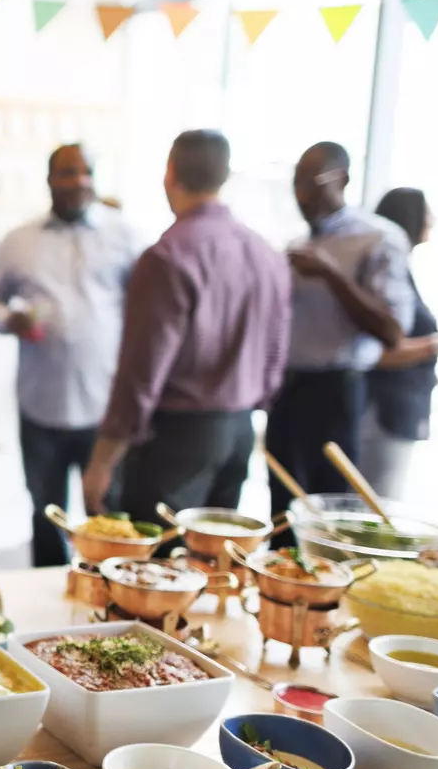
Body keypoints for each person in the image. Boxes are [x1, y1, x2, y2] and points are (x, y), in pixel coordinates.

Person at [83, 131, 290, 520]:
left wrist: (103, 458)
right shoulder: (265, 252)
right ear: (224, 176)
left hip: (178, 435)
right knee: (213, 560)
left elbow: (141, 371)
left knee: (156, 563)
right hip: (239, 428)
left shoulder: (167, 256)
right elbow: (276, 352)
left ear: (170, 173)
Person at [0, 144, 144, 565]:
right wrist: (8, 319)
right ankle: (48, 603)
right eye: (68, 173)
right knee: (45, 512)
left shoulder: (125, 235)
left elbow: (147, 308)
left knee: (108, 516)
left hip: (104, 408)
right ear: (50, 180)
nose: (79, 181)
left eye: (86, 171)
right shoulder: (19, 241)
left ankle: (107, 600)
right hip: (42, 405)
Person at [265, 141, 412, 517]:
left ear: (342, 179)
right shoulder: (297, 243)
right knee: (282, 508)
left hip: (335, 392)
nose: (302, 195)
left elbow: (392, 331)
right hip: (287, 391)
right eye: (296, 184)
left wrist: (332, 276)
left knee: (328, 512)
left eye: (312, 183)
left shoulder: (378, 238)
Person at [361, 189, 438, 500]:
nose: (433, 220)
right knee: (374, 507)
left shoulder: (402, 271)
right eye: (427, 212)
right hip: (383, 409)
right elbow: (377, 353)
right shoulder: (386, 273)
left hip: (398, 409)